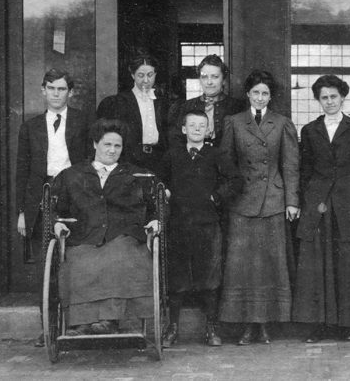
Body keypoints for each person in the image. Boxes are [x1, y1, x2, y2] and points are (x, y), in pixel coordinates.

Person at [50, 118, 161, 336]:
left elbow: (159, 202)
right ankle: (81, 323)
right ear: (95, 144)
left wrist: (157, 218)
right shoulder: (72, 175)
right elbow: (55, 208)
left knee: (119, 257)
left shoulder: (137, 175)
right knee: (79, 261)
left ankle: (110, 320)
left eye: (117, 146)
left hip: (124, 236)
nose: (112, 150)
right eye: (107, 144)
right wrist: (56, 223)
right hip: (85, 236)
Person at [218, 69, 300, 345]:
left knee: (270, 266)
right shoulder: (234, 122)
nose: (261, 97)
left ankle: (265, 325)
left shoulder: (282, 123)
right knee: (242, 268)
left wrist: (291, 201)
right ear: (248, 95)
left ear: (271, 96)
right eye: (256, 93)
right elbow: (226, 164)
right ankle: (245, 326)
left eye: (265, 93)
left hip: (274, 203)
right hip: (243, 203)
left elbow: (290, 165)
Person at [292, 74, 350, 342]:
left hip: (348, 203)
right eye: (324, 97)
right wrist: (306, 202)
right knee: (316, 264)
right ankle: (317, 325)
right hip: (317, 204)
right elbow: (304, 171)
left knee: (347, 263)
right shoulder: (309, 130)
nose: (329, 102)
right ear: (318, 100)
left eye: (333, 96)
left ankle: (348, 326)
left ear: (343, 97)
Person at [14, 68, 92, 347]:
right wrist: (23, 211)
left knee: (77, 262)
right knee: (45, 267)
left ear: (70, 93)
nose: (56, 94)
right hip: (42, 199)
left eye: (62, 89)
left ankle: (77, 326)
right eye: (51, 88)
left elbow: (90, 162)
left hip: (74, 195)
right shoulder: (30, 126)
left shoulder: (83, 121)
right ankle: (48, 327)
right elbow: (22, 171)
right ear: (43, 90)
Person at [159, 109, 242, 348]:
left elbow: (236, 181)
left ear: (209, 131)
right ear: (184, 129)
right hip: (178, 225)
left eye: (202, 126)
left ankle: (211, 328)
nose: (197, 129)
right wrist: (164, 191)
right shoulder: (172, 155)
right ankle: (172, 328)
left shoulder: (216, 155)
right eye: (192, 125)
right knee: (177, 278)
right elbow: (159, 180)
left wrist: (217, 197)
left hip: (207, 225)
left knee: (210, 277)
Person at [97, 54, 167, 176]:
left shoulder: (163, 103)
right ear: (132, 75)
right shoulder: (118, 102)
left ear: (155, 75)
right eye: (141, 75)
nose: (146, 80)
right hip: (129, 160)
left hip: (158, 160)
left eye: (150, 75)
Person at [168, 54, 243, 148]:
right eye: (204, 77)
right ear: (199, 79)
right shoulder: (186, 106)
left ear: (223, 80)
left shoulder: (237, 106)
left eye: (215, 77)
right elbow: (176, 141)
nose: (209, 82)